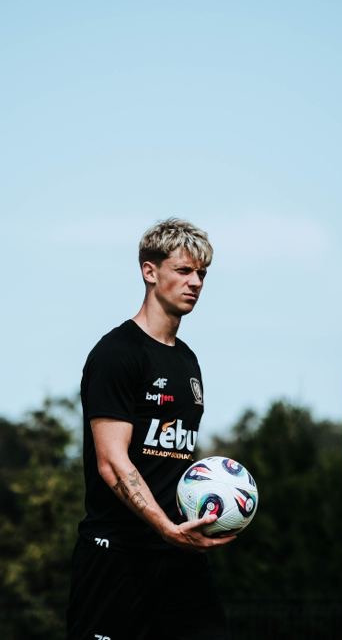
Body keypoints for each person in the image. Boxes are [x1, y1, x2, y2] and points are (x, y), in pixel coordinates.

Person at [66, 217, 232, 640]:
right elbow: (111, 462)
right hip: (118, 556)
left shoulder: (187, 359)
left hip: (178, 553)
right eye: (184, 270)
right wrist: (164, 527)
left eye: (202, 274)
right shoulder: (117, 353)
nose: (195, 283)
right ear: (149, 271)